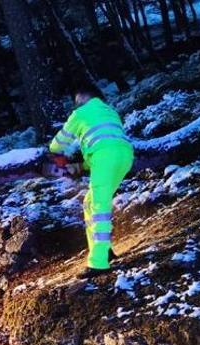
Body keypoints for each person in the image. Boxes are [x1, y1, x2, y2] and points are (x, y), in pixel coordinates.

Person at [49, 84, 134, 278]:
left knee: (99, 208)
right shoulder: (110, 112)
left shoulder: (80, 114)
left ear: (80, 100)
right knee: (90, 202)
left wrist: (60, 159)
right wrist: (80, 166)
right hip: (125, 156)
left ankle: (98, 263)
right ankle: (105, 250)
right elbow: (104, 146)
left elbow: (56, 145)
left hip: (105, 158)